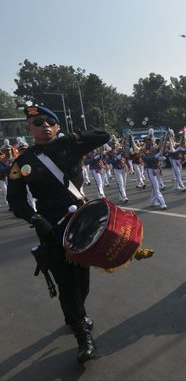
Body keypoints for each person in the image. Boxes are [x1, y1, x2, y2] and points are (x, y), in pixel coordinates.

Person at [7, 105, 110, 363]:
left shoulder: (69, 147)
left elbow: (104, 136)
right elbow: (16, 200)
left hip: (80, 221)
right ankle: (83, 337)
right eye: (37, 123)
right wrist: (35, 218)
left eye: (49, 122)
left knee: (82, 279)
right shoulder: (23, 162)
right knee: (66, 282)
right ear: (29, 129)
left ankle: (75, 311)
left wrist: (74, 137)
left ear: (57, 126)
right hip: (50, 226)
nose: (44, 126)